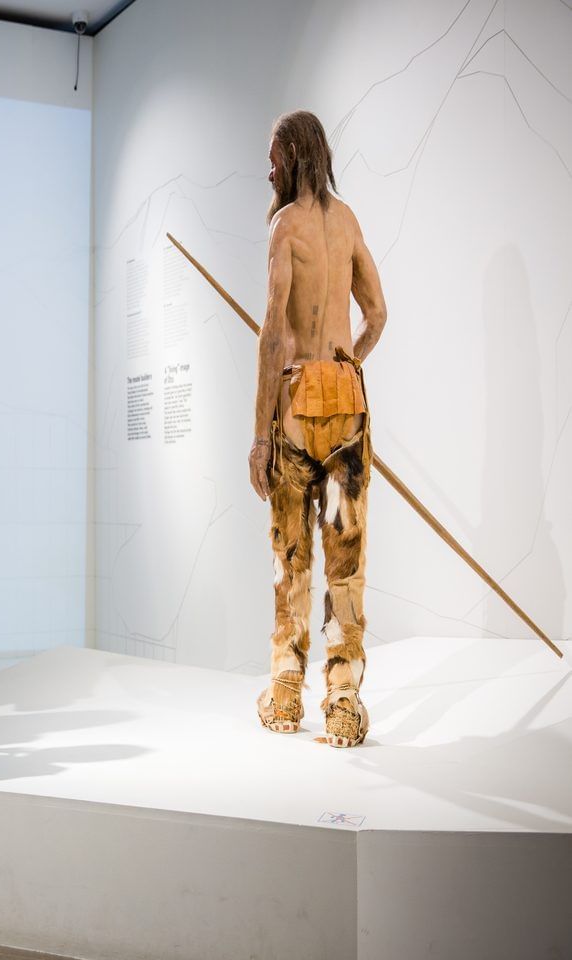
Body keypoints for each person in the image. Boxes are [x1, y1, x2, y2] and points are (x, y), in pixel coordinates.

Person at [250, 110, 387, 748]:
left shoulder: (286, 226)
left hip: (298, 410)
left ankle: (285, 693)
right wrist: (348, 363)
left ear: (295, 157)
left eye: (273, 158)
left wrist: (259, 435)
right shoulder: (350, 221)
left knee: (293, 555)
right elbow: (378, 312)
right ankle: (341, 701)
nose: (267, 170)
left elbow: (274, 333)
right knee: (346, 560)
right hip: (349, 406)